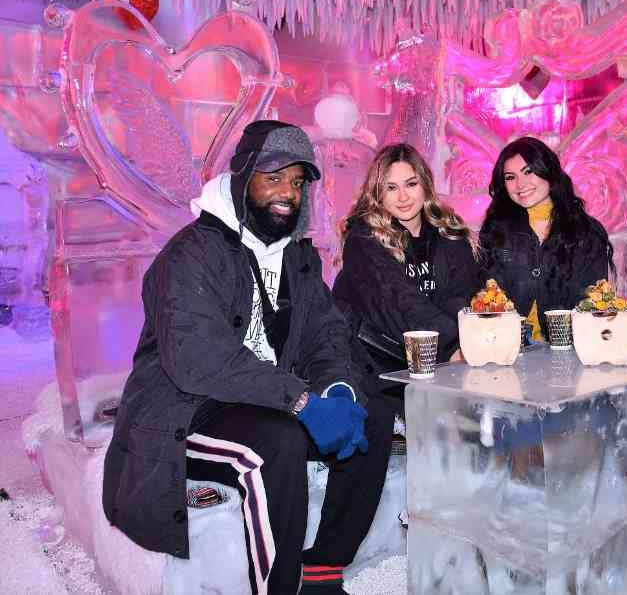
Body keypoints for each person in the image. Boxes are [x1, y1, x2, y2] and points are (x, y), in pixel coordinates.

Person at [103, 120, 390, 595]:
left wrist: (336, 389)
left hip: (264, 395)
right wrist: (302, 401)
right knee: (277, 442)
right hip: (187, 410)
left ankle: (323, 566)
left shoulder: (295, 255)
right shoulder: (190, 256)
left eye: (298, 182)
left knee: (373, 412)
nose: (288, 193)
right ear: (242, 178)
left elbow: (327, 333)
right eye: (273, 177)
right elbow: (199, 358)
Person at [332, 143, 478, 375]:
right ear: (378, 193)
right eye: (391, 187)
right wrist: (450, 347)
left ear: (425, 185)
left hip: (441, 363)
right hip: (377, 368)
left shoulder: (448, 233)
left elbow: (462, 295)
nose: (403, 197)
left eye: (411, 184)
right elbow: (397, 299)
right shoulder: (364, 238)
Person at [479, 136, 613, 343]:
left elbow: (592, 298)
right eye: (510, 177)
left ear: (548, 172)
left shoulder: (587, 231)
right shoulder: (496, 228)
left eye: (528, 172)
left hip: (571, 345)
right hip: (507, 345)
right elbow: (488, 291)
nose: (520, 184)